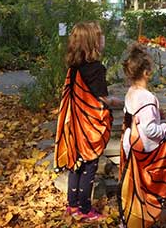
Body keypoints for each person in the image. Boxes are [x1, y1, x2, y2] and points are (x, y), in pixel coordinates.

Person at [54, 21, 121, 223]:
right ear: (92, 43)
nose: (104, 40)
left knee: (76, 164)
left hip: (74, 125)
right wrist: (121, 103)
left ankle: (72, 206)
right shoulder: (96, 69)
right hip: (89, 128)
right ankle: (84, 208)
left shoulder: (74, 68)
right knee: (89, 166)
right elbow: (102, 100)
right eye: (100, 37)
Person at [118, 43, 166, 228]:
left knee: (132, 186)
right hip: (144, 150)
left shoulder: (131, 93)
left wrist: (159, 114)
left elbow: (135, 116)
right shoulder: (147, 97)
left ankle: (130, 218)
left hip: (130, 144)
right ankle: (142, 218)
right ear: (146, 73)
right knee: (149, 185)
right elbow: (150, 130)